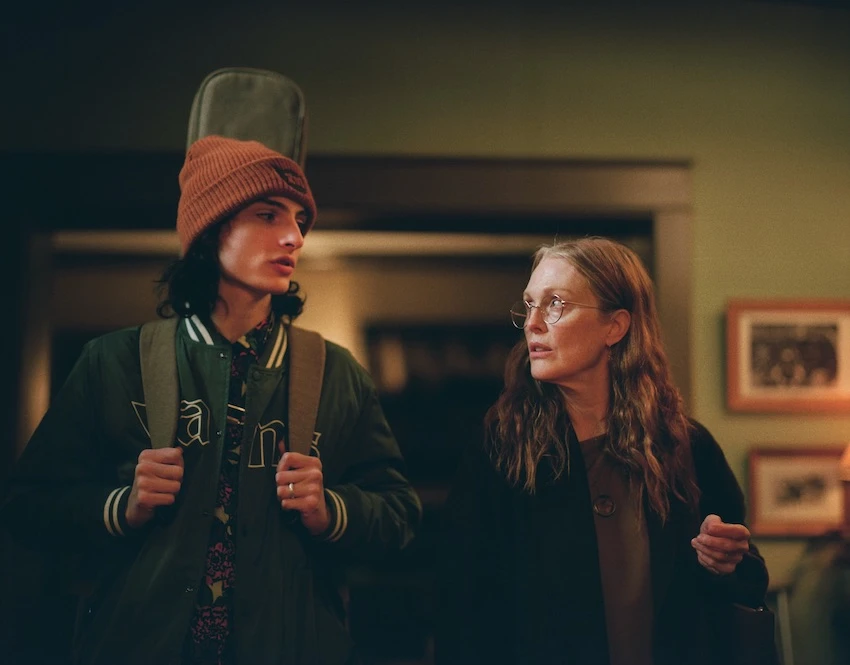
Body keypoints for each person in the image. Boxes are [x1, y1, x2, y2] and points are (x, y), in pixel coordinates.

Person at [1, 135, 422, 665]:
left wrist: (331, 510)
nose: (294, 236)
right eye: (268, 215)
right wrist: (122, 506)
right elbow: (29, 508)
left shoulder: (336, 372)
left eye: (299, 221)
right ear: (210, 227)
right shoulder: (113, 362)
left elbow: (400, 516)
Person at [435, 237, 771, 665]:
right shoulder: (502, 450)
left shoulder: (686, 446)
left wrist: (726, 562)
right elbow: (461, 609)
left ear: (615, 326)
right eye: (530, 304)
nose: (532, 323)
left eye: (555, 304)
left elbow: (746, 582)